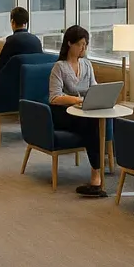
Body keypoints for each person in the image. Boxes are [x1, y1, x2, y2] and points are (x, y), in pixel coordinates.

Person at [48, 26, 108, 197]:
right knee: (91, 124)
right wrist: (78, 100)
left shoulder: (87, 64)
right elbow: (54, 97)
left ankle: (96, 174)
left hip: (83, 111)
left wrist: (98, 98)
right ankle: (96, 176)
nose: (84, 48)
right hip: (63, 113)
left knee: (94, 121)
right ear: (70, 43)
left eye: (85, 44)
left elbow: (94, 87)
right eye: (80, 44)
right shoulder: (59, 67)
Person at [0, 7, 42, 78]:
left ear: (12, 22)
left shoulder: (12, 41)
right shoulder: (36, 40)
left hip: (12, 83)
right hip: (32, 81)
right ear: (26, 23)